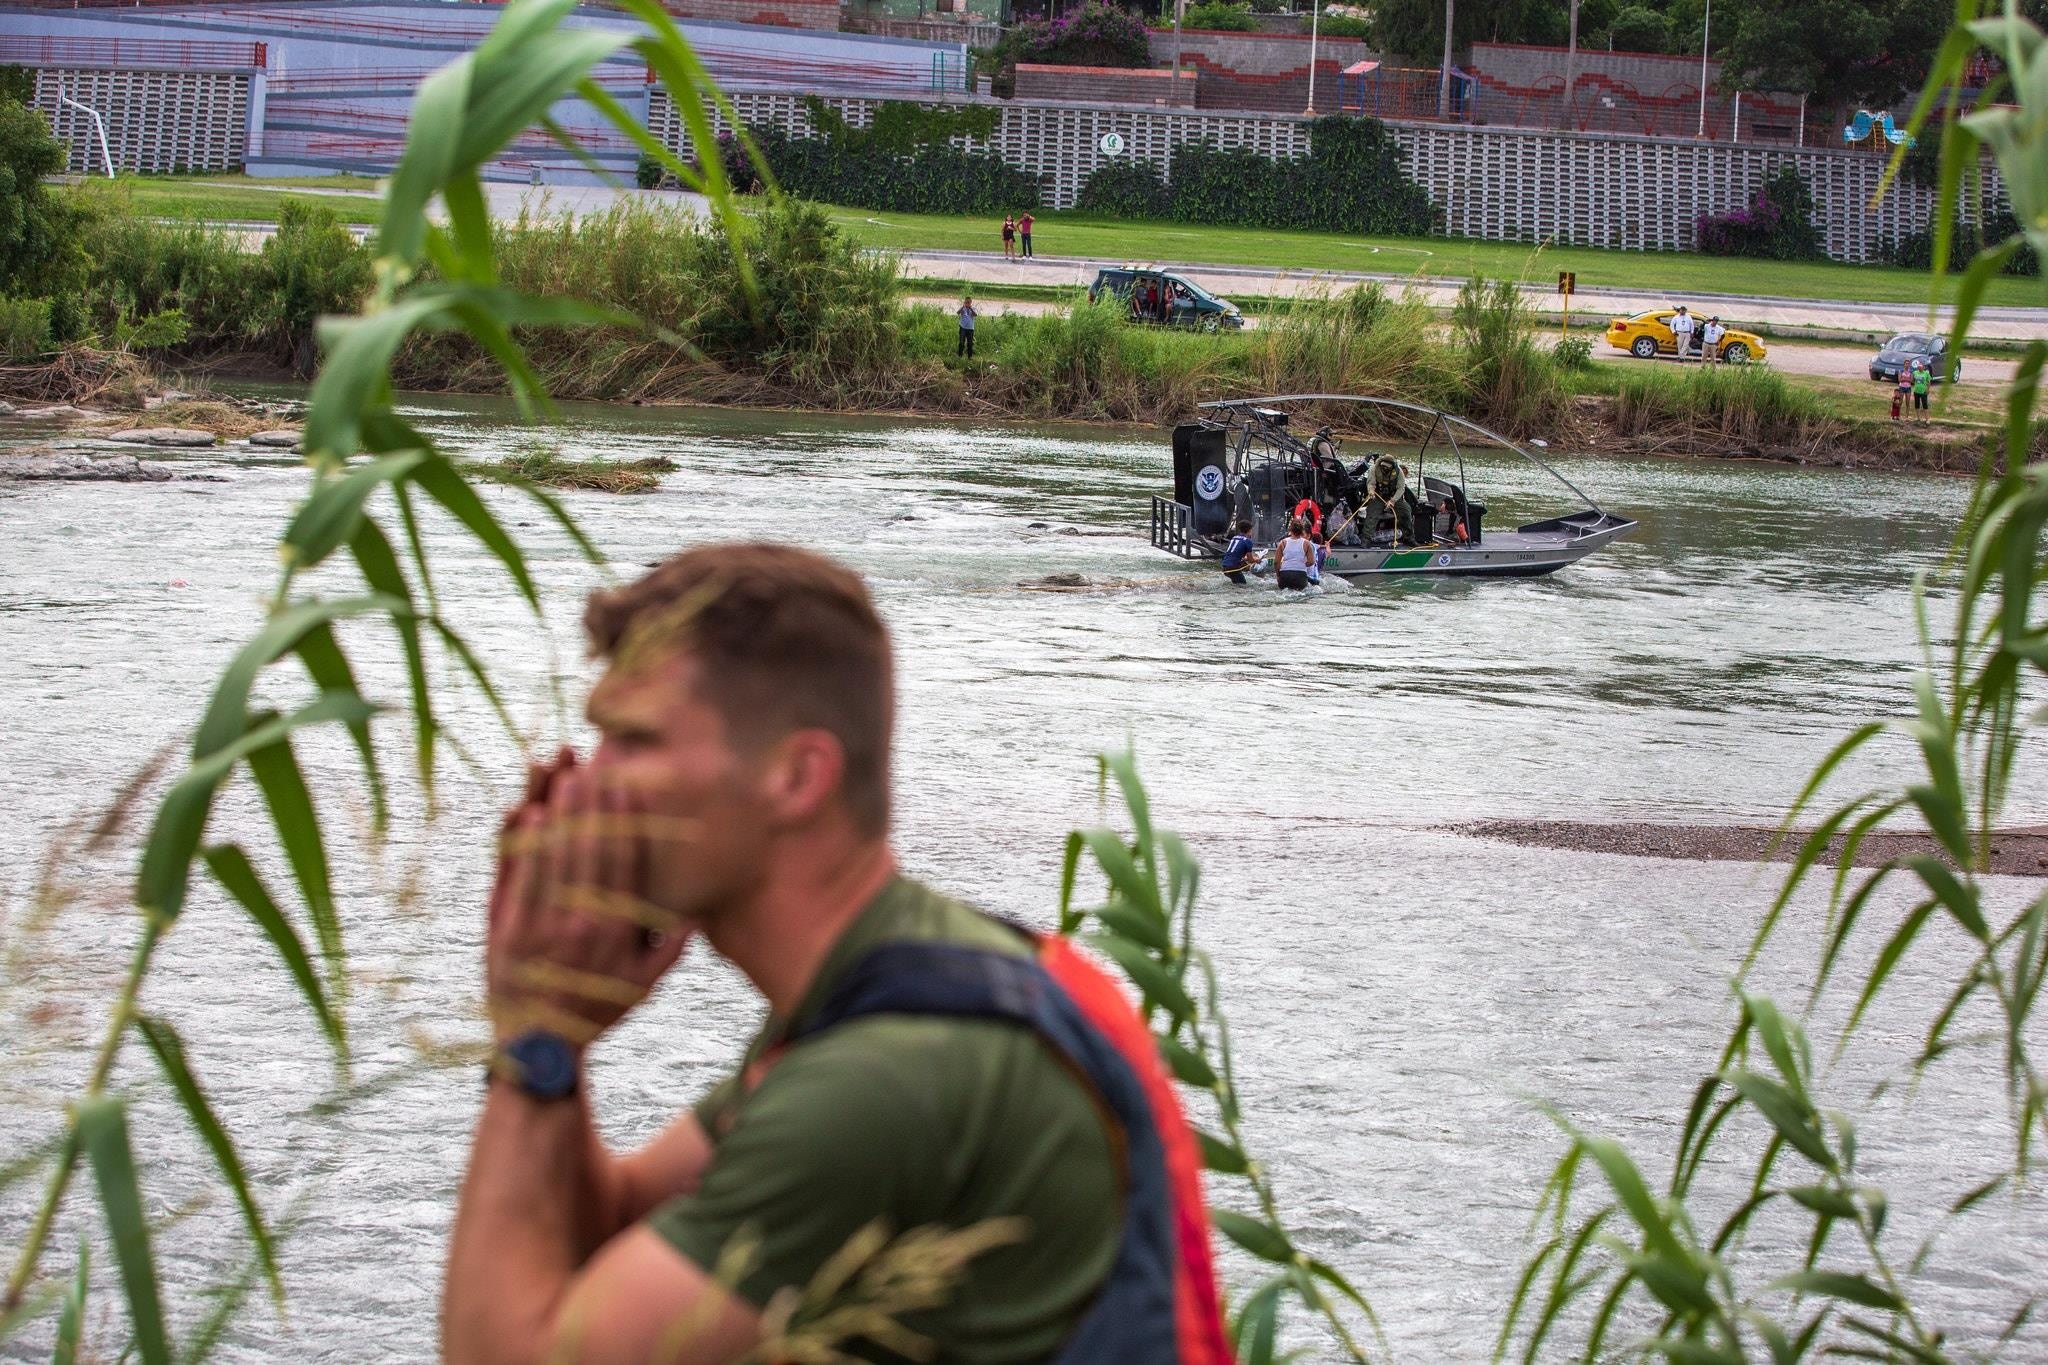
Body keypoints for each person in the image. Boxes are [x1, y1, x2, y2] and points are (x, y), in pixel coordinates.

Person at [443, 545, 1232, 1365]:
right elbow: (614, 1226)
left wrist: (532, 1027)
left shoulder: (890, 1077)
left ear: (797, 776)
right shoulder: (910, 973)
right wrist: (560, 1038)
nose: (589, 784)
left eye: (634, 742)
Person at [1364, 454, 1413, 546]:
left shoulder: (1399, 472)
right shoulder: (1374, 469)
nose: (1385, 468)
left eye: (1387, 467)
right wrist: (1371, 491)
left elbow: (1401, 488)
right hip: (1378, 496)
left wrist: (1393, 501)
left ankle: (1408, 538)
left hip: (1394, 496)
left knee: (1406, 510)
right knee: (1372, 513)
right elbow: (1371, 483)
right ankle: (1366, 539)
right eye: (1383, 466)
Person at [1274, 518, 1314, 591]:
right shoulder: (1307, 544)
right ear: (1302, 530)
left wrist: (1278, 576)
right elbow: (1311, 562)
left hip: (1285, 576)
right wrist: (1301, 564)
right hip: (1300, 576)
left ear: (1290, 530)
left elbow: (1276, 562)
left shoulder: (1282, 543)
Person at [1220, 518, 1262, 584]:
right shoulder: (1248, 541)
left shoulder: (1234, 538)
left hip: (1224, 566)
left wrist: (1249, 558)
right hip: (1233, 568)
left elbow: (1235, 554)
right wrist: (1257, 559)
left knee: (1236, 583)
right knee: (1243, 585)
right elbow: (1250, 560)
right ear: (1249, 530)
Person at [956, 295, 977, 359]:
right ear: (964, 302)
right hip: (963, 328)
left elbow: (975, 315)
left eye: (968, 302)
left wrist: (970, 308)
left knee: (970, 343)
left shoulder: (973, 308)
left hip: (970, 328)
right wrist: (962, 307)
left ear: (971, 302)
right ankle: (960, 356)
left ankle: (970, 357)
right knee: (961, 342)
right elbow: (958, 312)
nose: (967, 304)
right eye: (966, 302)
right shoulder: (963, 308)